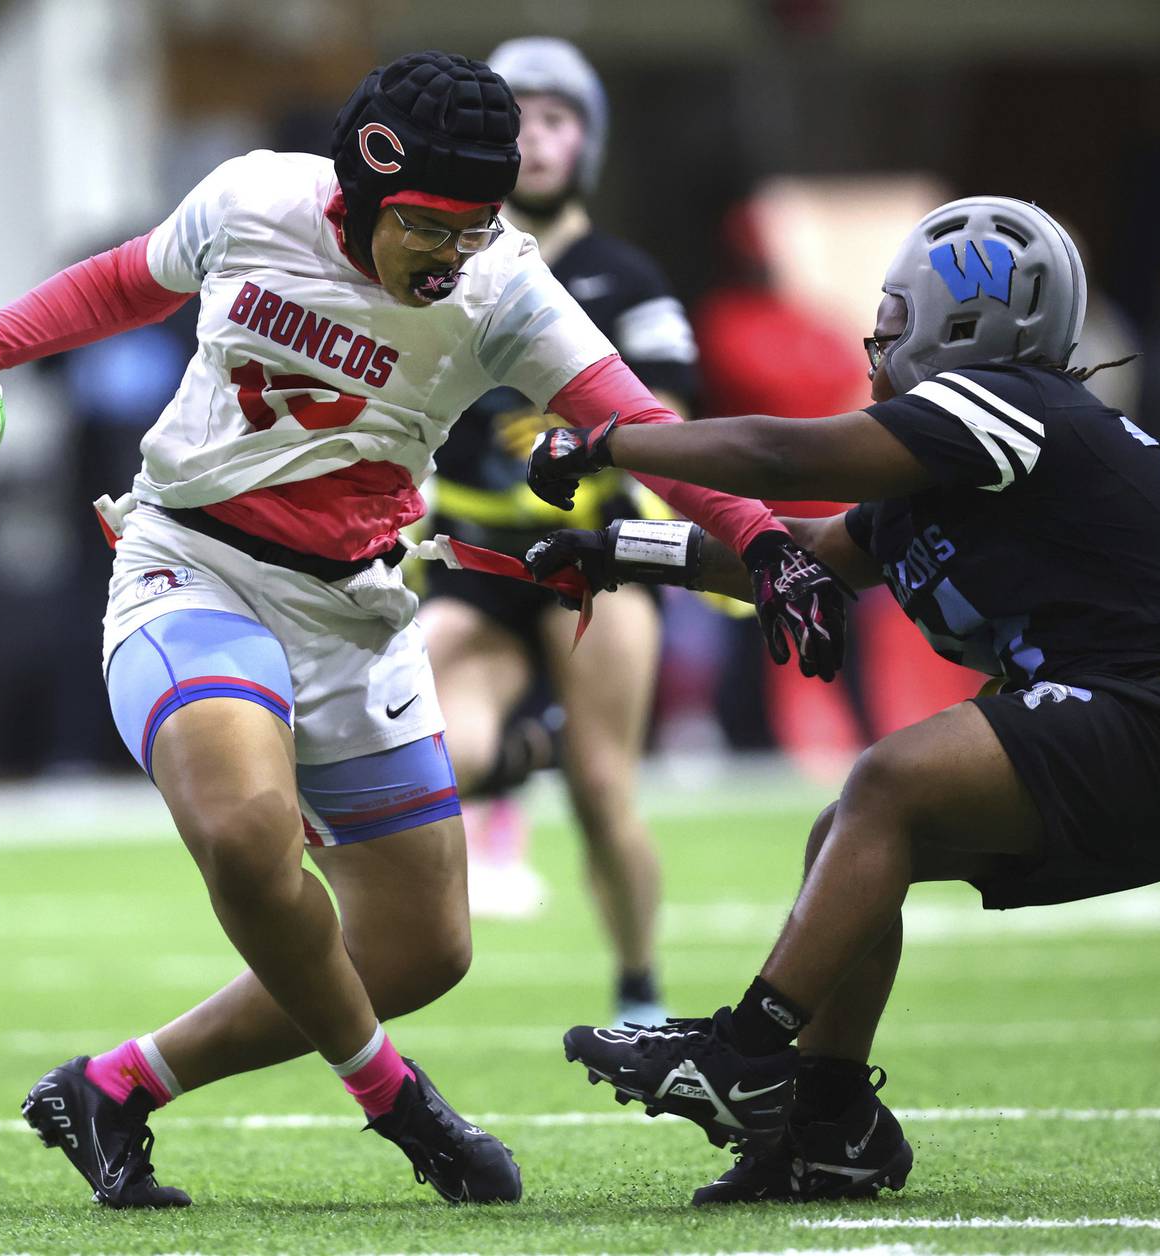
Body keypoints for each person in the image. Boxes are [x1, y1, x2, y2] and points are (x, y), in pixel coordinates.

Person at [0, 51, 827, 1208]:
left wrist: (763, 539)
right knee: (248, 836)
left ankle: (114, 1085)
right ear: (361, 187)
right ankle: (398, 1099)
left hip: (357, 612)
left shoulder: (504, 284)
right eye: (431, 225)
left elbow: (641, 422)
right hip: (192, 569)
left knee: (422, 949)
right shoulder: (254, 198)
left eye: (476, 225)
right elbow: (123, 283)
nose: (454, 253)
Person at [523, 195, 1160, 1204]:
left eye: (897, 317)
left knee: (890, 779)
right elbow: (804, 556)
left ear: (965, 322)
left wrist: (611, 442)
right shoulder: (959, 458)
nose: (879, 338)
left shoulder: (1010, 403)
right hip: (1156, 719)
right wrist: (616, 549)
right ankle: (830, 1124)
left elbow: (780, 456)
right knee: (853, 834)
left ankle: (745, 1053)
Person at [420, 37, 697, 1023]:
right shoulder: (441, 263)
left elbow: (673, 416)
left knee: (602, 786)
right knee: (423, 755)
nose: (536, 138)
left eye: (557, 118)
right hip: (474, 556)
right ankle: (532, 747)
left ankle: (640, 989)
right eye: (519, 119)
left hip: (599, 557)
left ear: (589, 141)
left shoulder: (627, 277)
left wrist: (591, 438)